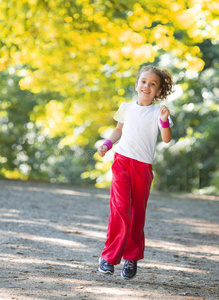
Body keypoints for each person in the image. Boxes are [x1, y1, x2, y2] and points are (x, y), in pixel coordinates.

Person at [97, 65, 174, 280]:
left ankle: (131, 257)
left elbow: (166, 138)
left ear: (159, 91)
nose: (146, 86)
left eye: (152, 84)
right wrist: (107, 144)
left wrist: (165, 120)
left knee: (137, 213)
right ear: (136, 84)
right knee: (120, 208)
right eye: (143, 82)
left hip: (142, 167)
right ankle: (109, 257)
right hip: (121, 162)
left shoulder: (158, 112)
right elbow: (119, 130)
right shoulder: (126, 107)